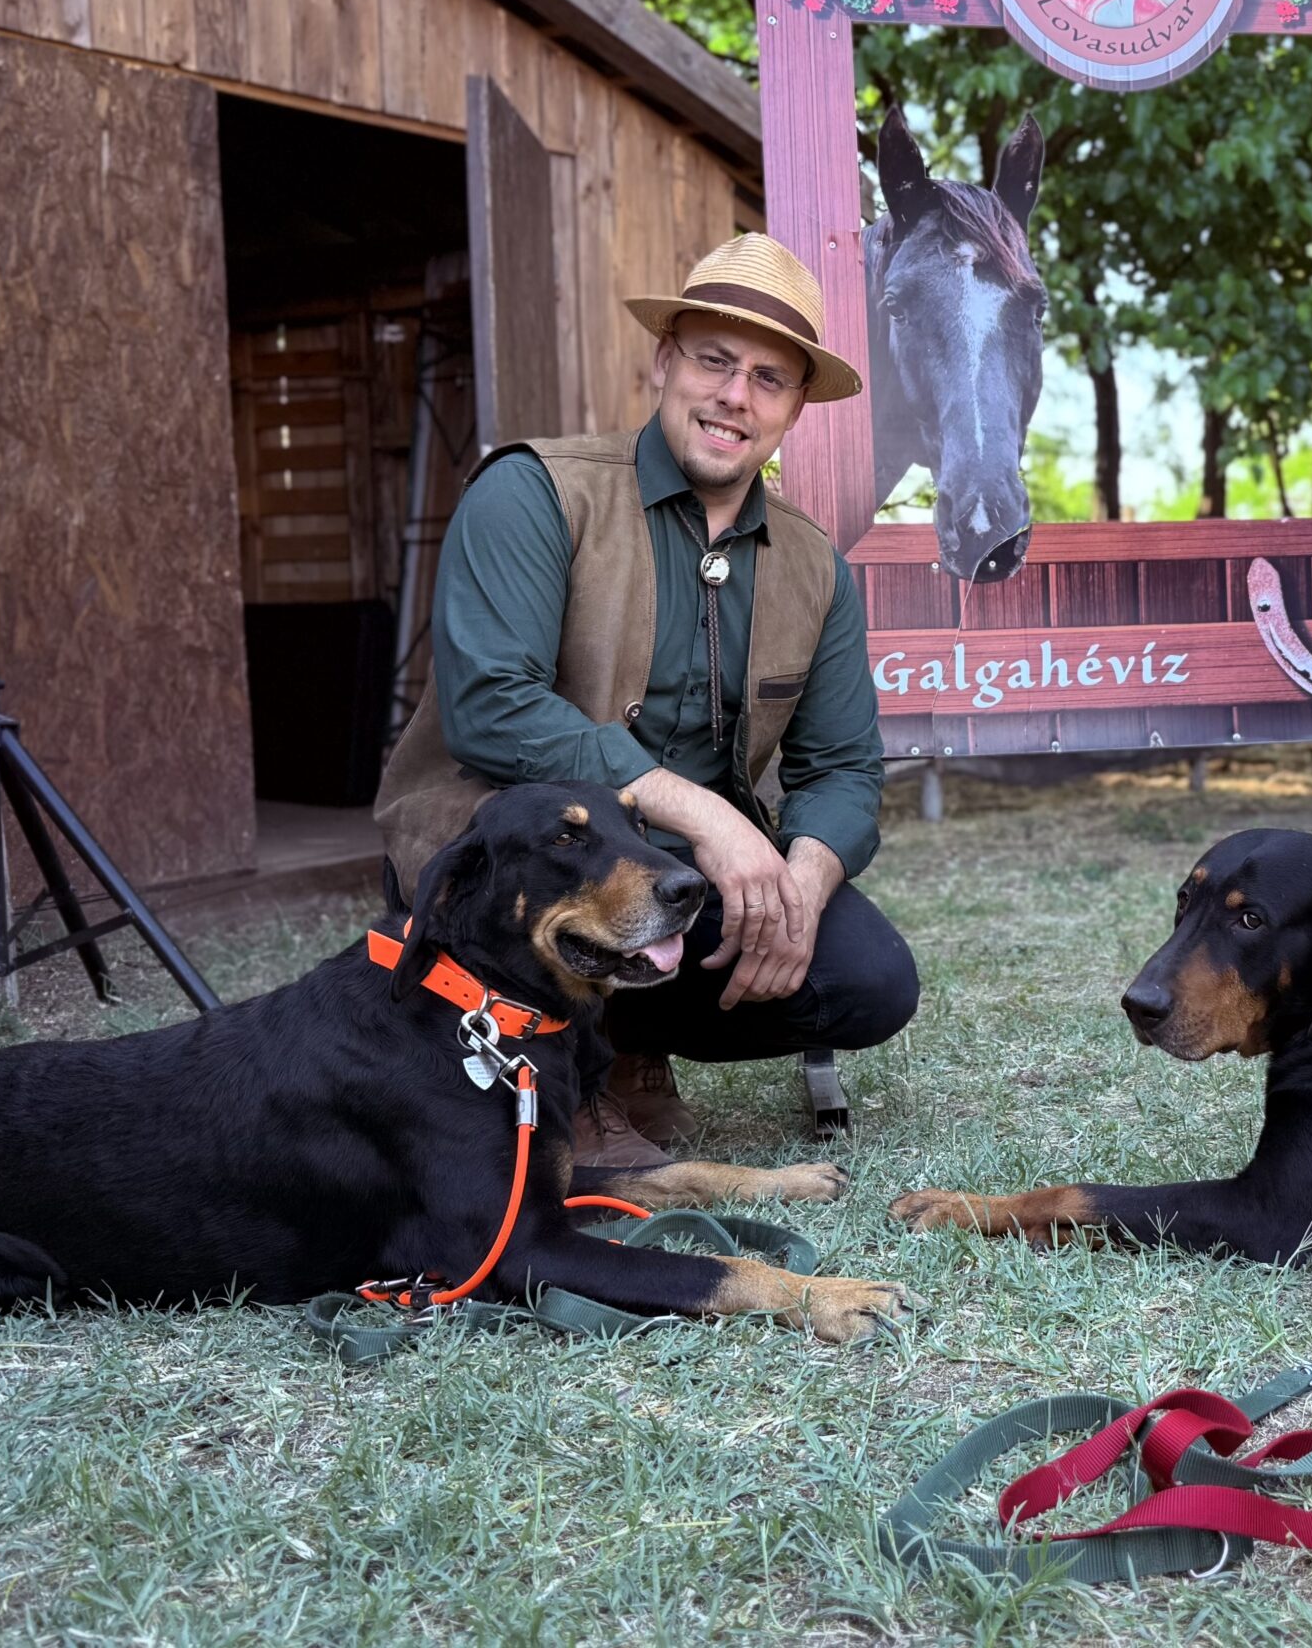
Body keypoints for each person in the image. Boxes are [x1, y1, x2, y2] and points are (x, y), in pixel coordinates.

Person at [376, 233, 915, 1161]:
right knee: (542, 874)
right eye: (714, 361)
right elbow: (493, 705)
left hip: (676, 879)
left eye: (769, 378)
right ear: (665, 361)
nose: (735, 396)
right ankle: (569, 1071)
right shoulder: (535, 491)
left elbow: (844, 767)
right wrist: (709, 815)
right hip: (522, 860)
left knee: (869, 981)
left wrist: (801, 884)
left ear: (795, 407)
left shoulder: (815, 564)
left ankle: (626, 1040)